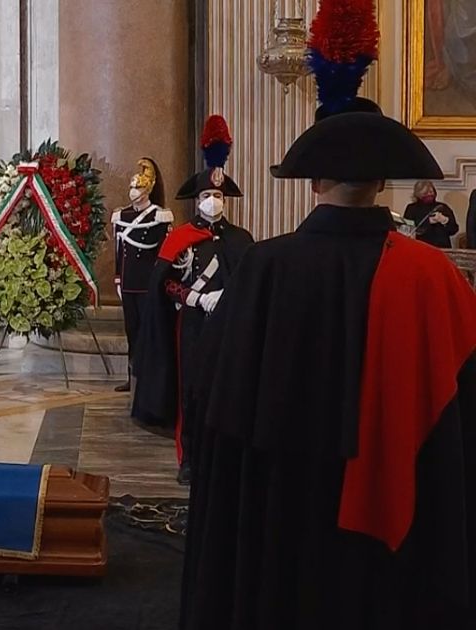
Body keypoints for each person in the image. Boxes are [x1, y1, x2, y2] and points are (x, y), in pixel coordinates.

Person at [181, 6, 476, 627]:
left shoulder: (265, 268)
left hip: (282, 519)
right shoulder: (432, 275)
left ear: (312, 183)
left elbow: (218, 398)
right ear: (384, 184)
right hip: (399, 542)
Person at [132, 115, 253, 486]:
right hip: (193, 326)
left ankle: (224, 455)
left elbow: (249, 282)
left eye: (217, 196)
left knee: (226, 390)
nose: (212, 202)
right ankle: (189, 457)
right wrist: (196, 298)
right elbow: (163, 285)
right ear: (196, 201)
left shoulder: (241, 238)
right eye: (206, 196)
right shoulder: (179, 237)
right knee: (191, 392)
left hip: (229, 327)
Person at [111, 158, 172, 393]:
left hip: (148, 282)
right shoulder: (122, 216)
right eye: (132, 187)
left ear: (148, 190)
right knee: (132, 330)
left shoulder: (159, 216)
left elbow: (162, 252)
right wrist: (118, 277)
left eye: (138, 187)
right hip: (128, 283)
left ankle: (150, 376)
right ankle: (132, 375)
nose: (133, 192)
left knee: (150, 330)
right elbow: (120, 249)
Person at [403, 180, 459, 248]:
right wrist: (428, 222)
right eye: (425, 193)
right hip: (420, 247)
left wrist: (445, 220)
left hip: (442, 248)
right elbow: (407, 229)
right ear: (418, 194)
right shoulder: (411, 208)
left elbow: (454, 230)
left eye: (431, 192)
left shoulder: (443, 207)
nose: (429, 194)